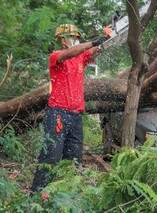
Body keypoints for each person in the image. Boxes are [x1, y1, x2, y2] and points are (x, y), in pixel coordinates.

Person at [31, 24, 112, 192]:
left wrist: (105, 38)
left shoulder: (80, 58)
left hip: (76, 116)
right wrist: (94, 41)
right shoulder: (56, 56)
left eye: (76, 37)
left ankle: (70, 196)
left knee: (74, 159)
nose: (75, 40)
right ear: (62, 40)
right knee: (51, 157)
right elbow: (71, 53)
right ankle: (37, 195)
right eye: (71, 37)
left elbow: (96, 50)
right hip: (57, 114)